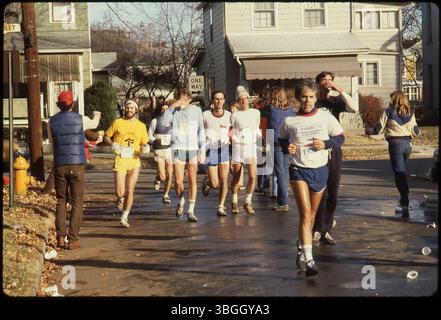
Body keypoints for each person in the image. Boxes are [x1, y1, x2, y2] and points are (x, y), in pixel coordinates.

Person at [278, 80, 344, 277]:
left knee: (313, 215)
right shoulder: (289, 120)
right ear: (299, 98)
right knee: (305, 214)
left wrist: (326, 143)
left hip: (320, 169)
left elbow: (340, 138)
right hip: (299, 169)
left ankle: (301, 243)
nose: (307, 100)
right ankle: (310, 260)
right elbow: (281, 138)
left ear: (316, 98)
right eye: (304, 96)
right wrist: (286, 148)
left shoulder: (325, 117)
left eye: (311, 96)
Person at [312, 71, 358, 246]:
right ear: (317, 84)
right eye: (323, 80)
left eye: (330, 80)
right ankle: (316, 228)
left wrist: (339, 90)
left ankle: (326, 230)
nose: (327, 83)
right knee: (319, 192)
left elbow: (354, 108)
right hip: (316, 151)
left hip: (334, 149)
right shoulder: (313, 102)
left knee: (333, 193)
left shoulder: (335, 102)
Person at [367, 90, 420, 218]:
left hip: (395, 144)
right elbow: (416, 131)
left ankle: (405, 199)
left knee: (399, 173)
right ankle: (403, 198)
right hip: (408, 144)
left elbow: (378, 128)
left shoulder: (389, 112)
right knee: (402, 171)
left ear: (393, 99)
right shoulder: (410, 112)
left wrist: (368, 130)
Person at [47, 90, 86, 250]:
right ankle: (73, 239)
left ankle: (60, 238)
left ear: (58, 105)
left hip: (60, 165)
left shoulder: (51, 121)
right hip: (77, 165)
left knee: (61, 201)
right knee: (77, 203)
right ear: (73, 103)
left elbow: (50, 141)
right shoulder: (81, 119)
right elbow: (94, 125)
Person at [104, 100, 150, 228]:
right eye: (127, 108)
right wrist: (112, 144)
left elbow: (144, 143)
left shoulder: (141, 126)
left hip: (134, 160)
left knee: (130, 189)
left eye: (132, 108)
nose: (129, 110)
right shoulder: (117, 122)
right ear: (125, 109)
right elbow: (107, 136)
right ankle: (120, 198)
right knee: (120, 191)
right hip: (121, 159)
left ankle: (124, 216)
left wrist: (145, 147)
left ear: (136, 110)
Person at [162, 88, 206, 222]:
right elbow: (164, 123)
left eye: (186, 99)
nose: (183, 101)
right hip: (178, 148)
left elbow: (201, 130)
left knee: (192, 179)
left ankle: (191, 211)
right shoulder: (173, 110)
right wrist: (172, 106)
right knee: (179, 181)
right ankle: (181, 200)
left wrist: (201, 151)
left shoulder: (196, 111)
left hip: (192, 148)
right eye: (180, 98)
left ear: (190, 99)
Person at [260, 86, 296, 212]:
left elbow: (258, 111)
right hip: (287, 140)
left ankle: (283, 202)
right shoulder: (291, 110)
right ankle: (283, 198)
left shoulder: (269, 109)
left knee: (279, 171)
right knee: (284, 171)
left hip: (274, 140)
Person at [230, 86, 261, 215]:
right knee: (237, 177)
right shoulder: (234, 115)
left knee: (253, 176)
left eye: (245, 98)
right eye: (241, 99)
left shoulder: (256, 112)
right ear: (238, 101)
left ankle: (248, 201)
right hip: (239, 146)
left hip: (251, 146)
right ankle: (234, 201)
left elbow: (256, 128)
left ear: (249, 99)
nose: (243, 101)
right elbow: (233, 130)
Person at [201, 91, 232, 217]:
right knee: (215, 183)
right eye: (216, 99)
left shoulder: (230, 115)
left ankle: (221, 206)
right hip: (211, 149)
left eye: (221, 99)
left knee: (224, 180)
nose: (219, 101)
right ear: (212, 101)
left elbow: (234, 130)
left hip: (224, 149)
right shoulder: (206, 115)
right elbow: (200, 131)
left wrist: (230, 137)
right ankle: (208, 182)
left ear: (224, 100)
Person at [148, 102, 173, 203]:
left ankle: (166, 194)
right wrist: (154, 140)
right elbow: (149, 136)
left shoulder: (173, 122)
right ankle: (158, 178)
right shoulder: (155, 121)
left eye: (167, 109)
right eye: (163, 109)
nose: (165, 111)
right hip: (159, 149)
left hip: (170, 150)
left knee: (170, 175)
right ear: (160, 110)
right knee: (163, 176)